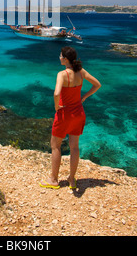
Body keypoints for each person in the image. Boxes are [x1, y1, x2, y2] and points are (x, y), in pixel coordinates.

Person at [40, 46, 101, 190]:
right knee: (74, 147)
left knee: (56, 147)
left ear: (66, 59)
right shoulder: (81, 72)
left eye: (61, 55)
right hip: (78, 114)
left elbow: (56, 94)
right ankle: (71, 180)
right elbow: (97, 84)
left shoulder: (62, 74)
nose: (59, 57)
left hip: (64, 114)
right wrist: (84, 97)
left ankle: (54, 180)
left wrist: (56, 107)